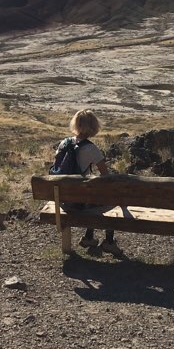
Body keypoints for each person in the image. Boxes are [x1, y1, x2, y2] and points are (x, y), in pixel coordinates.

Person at [54, 109, 122, 256]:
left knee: (92, 197)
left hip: (62, 199)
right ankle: (109, 242)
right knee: (109, 199)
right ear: (93, 126)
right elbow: (106, 176)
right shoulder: (91, 149)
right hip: (77, 202)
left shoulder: (63, 144)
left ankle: (89, 238)